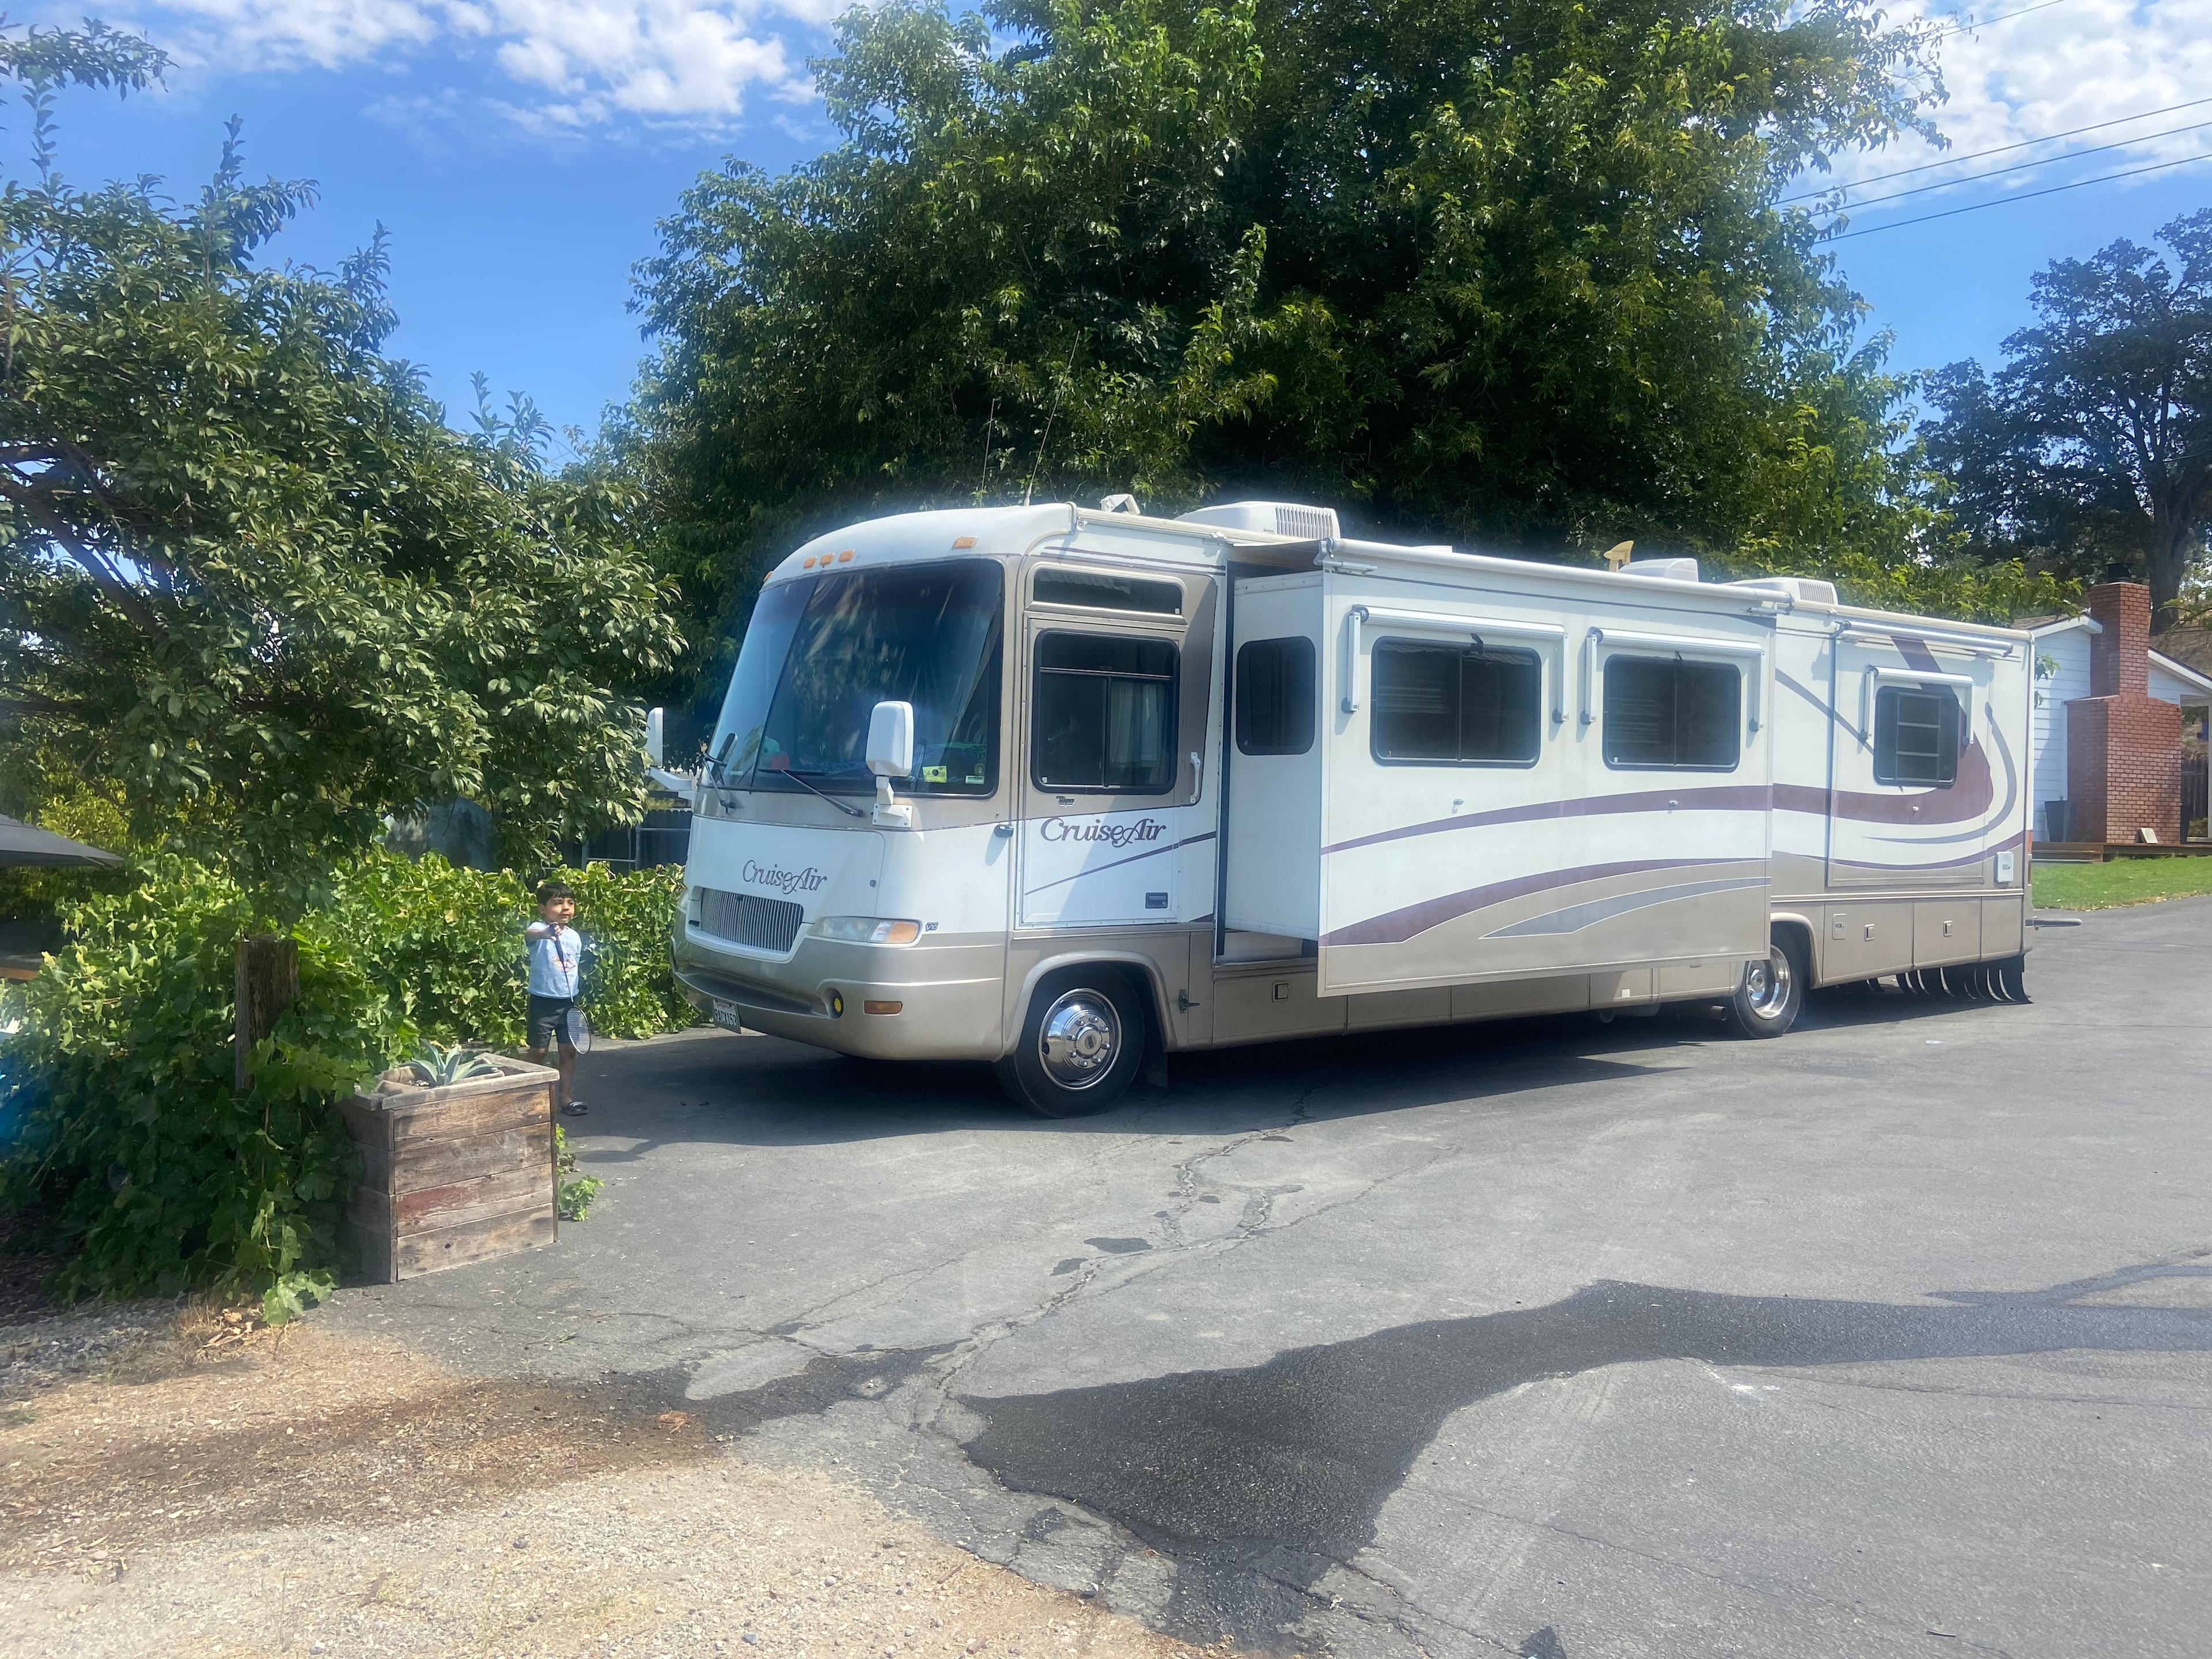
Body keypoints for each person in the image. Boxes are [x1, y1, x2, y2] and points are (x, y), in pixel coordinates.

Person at [525, 880, 586, 1116]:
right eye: (558, 903)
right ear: (542, 908)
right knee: (539, 1051)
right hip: (543, 1002)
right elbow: (530, 935)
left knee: (568, 1052)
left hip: (569, 1003)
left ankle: (565, 1098)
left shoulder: (575, 937)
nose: (566, 908)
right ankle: (527, 1093)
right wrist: (546, 933)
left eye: (570, 903)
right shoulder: (539, 929)